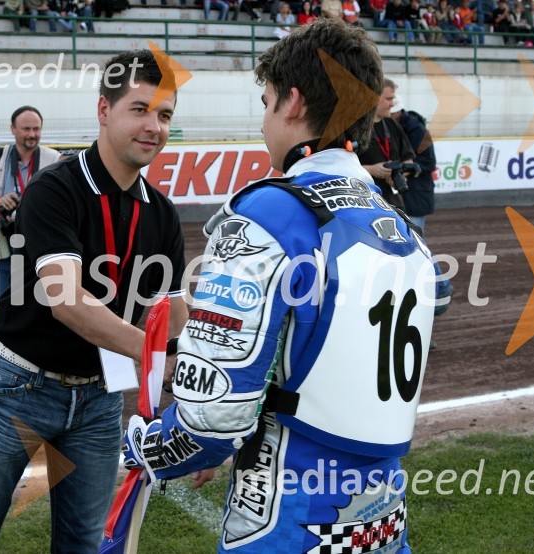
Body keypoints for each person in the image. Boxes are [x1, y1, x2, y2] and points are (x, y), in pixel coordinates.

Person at [123, 19, 438, 553]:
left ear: (292, 103)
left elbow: (213, 416)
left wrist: (140, 448)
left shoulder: (271, 211)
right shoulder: (398, 222)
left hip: (288, 519)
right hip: (382, 519)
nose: (265, 121)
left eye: (266, 101)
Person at [0, 50, 189, 553]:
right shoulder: (55, 189)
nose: (154, 127)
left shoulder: (161, 213)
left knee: (81, 546)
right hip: (16, 388)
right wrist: (158, 358)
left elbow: (173, 316)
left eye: (164, 116)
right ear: (103, 111)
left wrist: (189, 393)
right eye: (139, 109)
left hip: (97, 398)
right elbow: (67, 301)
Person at [0, 106, 61, 301]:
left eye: (36, 129)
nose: (32, 134)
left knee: (34, 301)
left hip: (36, 240)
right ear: (13, 129)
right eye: (26, 129)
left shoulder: (54, 159)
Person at [357, 78, 416, 210]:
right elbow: (340, 168)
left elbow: (408, 159)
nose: (392, 104)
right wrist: (371, 170)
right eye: (388, 99)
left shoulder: (392, 124)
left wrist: (399, 174)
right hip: (365, 204)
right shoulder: (354, 128)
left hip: (394, 204)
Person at [390, 96, 435, 232]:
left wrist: (403, 170)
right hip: (411, 191)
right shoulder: (395, 127)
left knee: (414, 234)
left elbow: (429, 162)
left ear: (398, 112)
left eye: (391, 112)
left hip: (416, 190)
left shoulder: (417, 130)